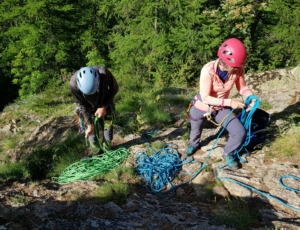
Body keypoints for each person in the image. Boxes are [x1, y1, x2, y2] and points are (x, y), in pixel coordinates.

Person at [185, 38, 255, 170]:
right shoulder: (207, 70)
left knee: (239, 132)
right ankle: (193, 144)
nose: (236, 70)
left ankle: (229, 153)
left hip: (220, 108)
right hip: (202, 105)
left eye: (238, 67)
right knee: (195, 128)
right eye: (234, 67)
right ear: (224, 62)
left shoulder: (238, 69)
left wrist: (250, 97)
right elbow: (205, 97)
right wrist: (230, 102)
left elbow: (242, 88)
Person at [70, 65, 119, 155]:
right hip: (86, 108)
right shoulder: (73, 84)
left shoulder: (103, 73)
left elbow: (114, 88)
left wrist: (103, 106)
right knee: (91, 133)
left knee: (107, 130)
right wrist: (89, 124)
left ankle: (108, 151)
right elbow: (81, 104)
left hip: (104, 102)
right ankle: (97, 153)